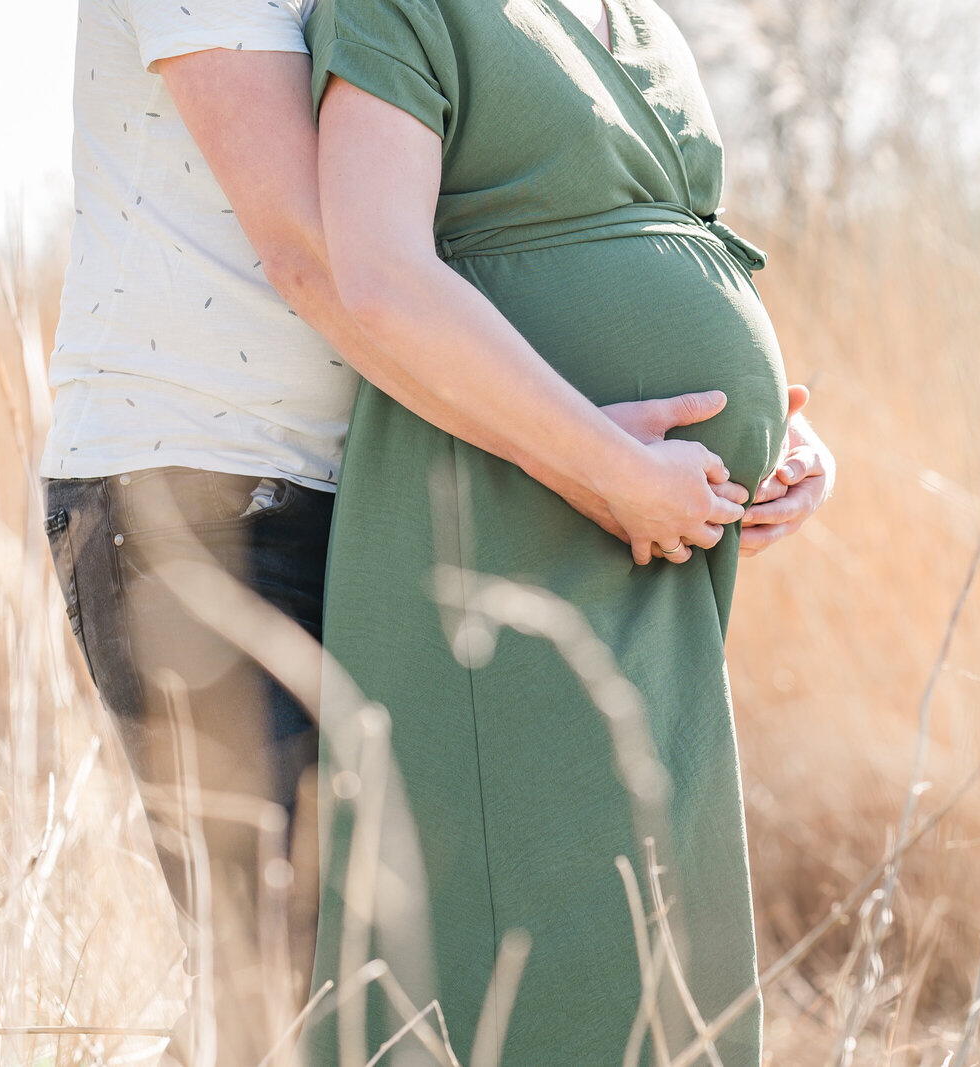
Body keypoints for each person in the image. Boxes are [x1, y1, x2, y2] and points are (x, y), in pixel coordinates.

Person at [40, 1, 834, 1063]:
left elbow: (511, 214)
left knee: (432, 956)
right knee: (292, 967)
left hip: (409, 489)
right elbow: (316, 257)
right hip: (211, 490)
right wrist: (596, 464)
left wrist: (751, 418)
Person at [300, 0, 817, 1063]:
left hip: (658, 556)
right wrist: (606, 460)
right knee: (518, 945)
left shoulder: (647, 22)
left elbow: (678, 246)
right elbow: (380, 278)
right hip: (498, 517)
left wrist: (794, 443)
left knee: (660, 929)